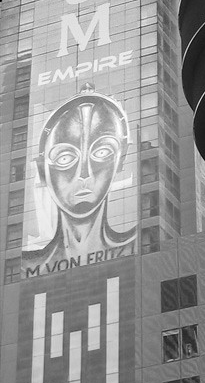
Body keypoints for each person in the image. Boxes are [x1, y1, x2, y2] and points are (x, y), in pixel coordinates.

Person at [23, 84, 135, 269]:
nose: (84, 174)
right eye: (65, 157)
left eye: (101, 152)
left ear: (120, 160)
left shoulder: (139, 247)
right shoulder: (27, 266)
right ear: (42, 171)